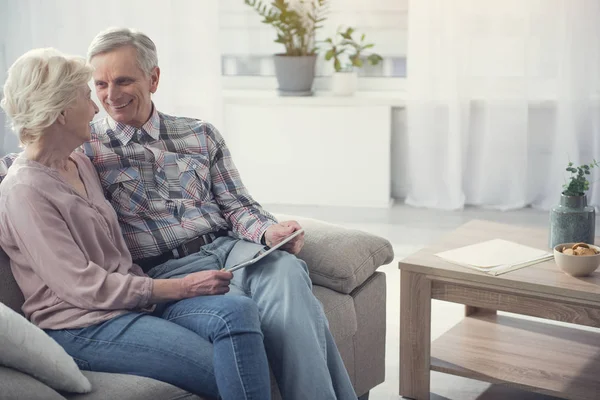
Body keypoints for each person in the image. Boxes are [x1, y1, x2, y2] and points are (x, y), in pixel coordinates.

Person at [84, 27, 358, 400]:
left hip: (231, 249)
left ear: (154, 78)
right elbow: (27, 165)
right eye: (100, 84)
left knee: (288, 270)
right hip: (169, 270)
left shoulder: (199, 134)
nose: (110, 96)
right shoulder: (85, 148)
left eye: (123, 81)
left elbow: (237, 205)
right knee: (283, 303)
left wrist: (269, 232)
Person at [0, 48, 272, 400]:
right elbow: (84, 288)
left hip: (131, 302)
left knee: (239, 310)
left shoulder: (79, 164)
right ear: (62, 112)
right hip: (82, 325)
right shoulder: (23, 191)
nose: (97, 108)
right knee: (226, 367)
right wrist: (183, 287)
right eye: (87, 96)